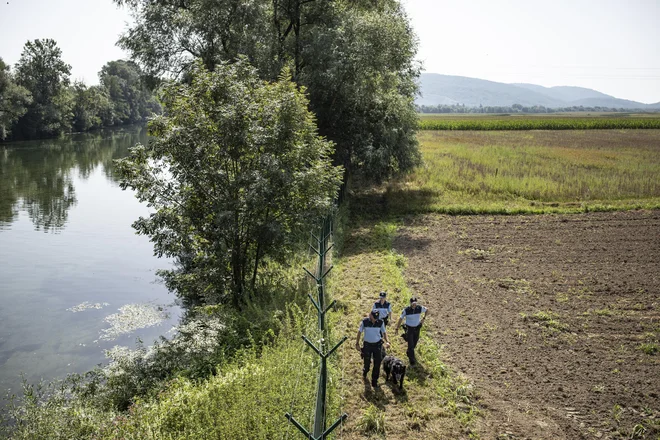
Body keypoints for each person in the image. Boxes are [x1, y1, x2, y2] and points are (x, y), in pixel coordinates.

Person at [356, 310, 390, 387]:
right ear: (370, 315)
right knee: (367, 361)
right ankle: (366, 370)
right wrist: (357, 343)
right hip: (367, 345)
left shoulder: (380, 322)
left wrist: (387, 341)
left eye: (376, 318)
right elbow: (359, 332)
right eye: (374, 317)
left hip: (377, 345)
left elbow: (384, 332)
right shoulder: (365, 322)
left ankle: (374, 380)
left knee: (377, 363)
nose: (375, 319)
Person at [394, 297, 428, 366]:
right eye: (413, 303)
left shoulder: (419, 308)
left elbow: (427, 310)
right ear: (410, 303)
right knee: (411, 345)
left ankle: (409, 351)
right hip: (409, 329)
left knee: (415, 341)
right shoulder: (406, 310)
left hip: (417, 328)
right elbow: (401, 318)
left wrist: (424, 318)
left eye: (415, 303)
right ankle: (412, 361)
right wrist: (397, 328)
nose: (414, 305)